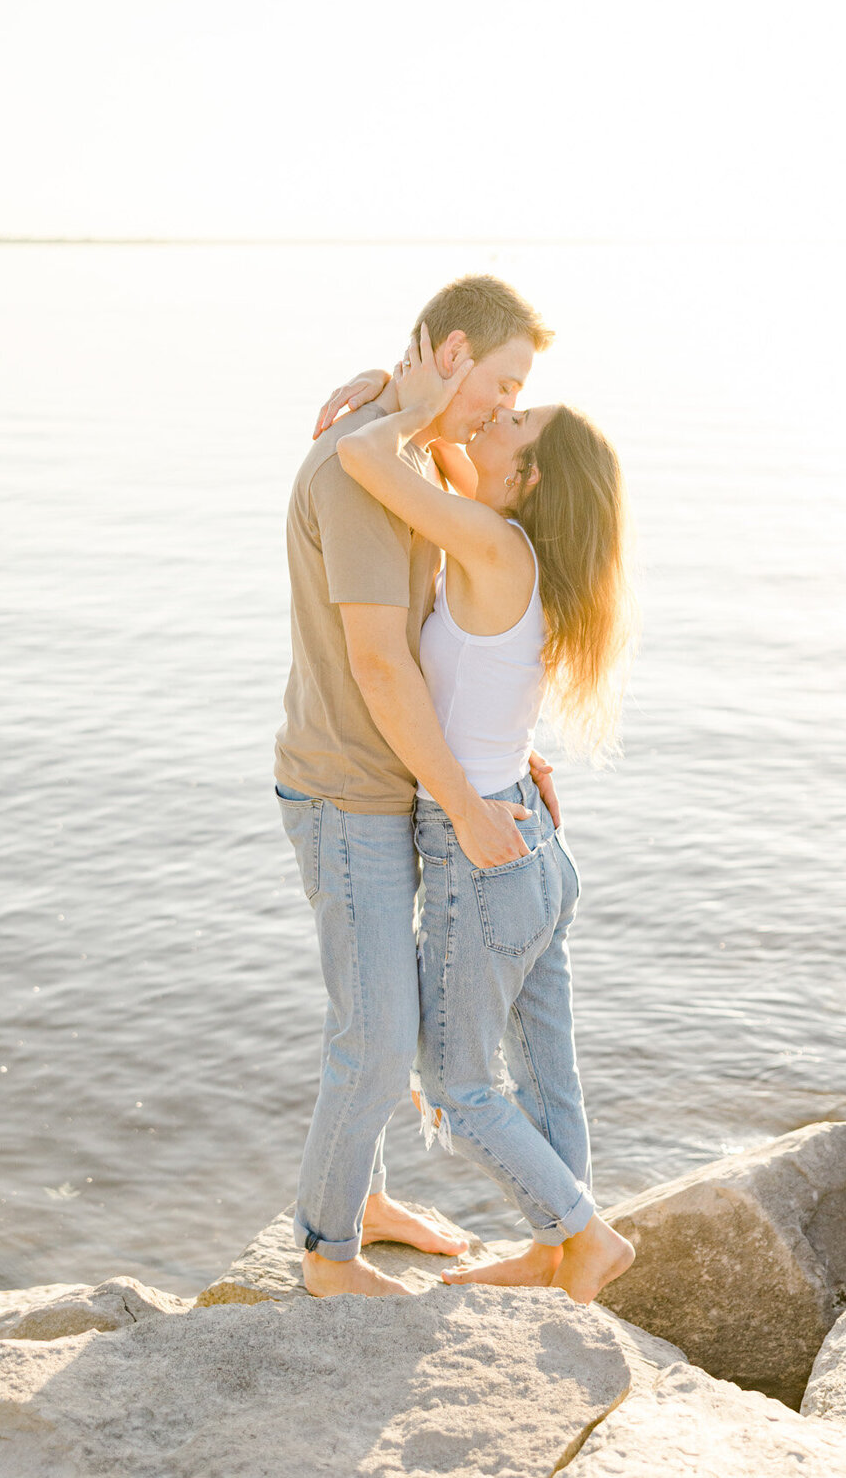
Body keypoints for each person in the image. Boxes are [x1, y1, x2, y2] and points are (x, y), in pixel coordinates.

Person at [331, 322, 638, 1302]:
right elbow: (440, 446)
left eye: (523, 415)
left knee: (464, 1090)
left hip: (482, 846)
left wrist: (391, 399)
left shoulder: (495, 541)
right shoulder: (508, 538)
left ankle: (586, 1236)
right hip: (531, 839)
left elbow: (364, 455)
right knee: (550, 1079)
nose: (502, 410)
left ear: (535, 477)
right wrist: (395, 382)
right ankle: (558, 1249)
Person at [274, 275, 557, 1298]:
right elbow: (382, 667)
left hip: (386, 784)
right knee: (381, 1027)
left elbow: (450, 647)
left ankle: (366, 1196)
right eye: (501, 381)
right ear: (450, 352)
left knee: (373, 1008)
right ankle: (325, 1252)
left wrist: (501, 757)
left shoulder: (400, 452)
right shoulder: (360, 475)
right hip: (347, 788)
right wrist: (472, 808)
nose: (503, 406)